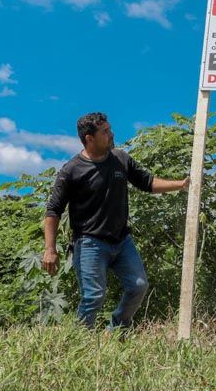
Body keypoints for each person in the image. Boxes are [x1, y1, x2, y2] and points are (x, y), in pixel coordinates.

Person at [43, 112, 189, 330]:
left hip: (122, 241)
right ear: (89, 139)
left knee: (139, 285)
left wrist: (181, 184)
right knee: (93, 297)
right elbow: (53, 210)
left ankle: (117, 331)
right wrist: (50, 249)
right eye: (105, 132)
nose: (112, 134)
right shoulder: (72, 170)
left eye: (110, 129)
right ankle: (79, 344)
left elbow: (147, 183)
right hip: (89, 243)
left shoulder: (121, 159)